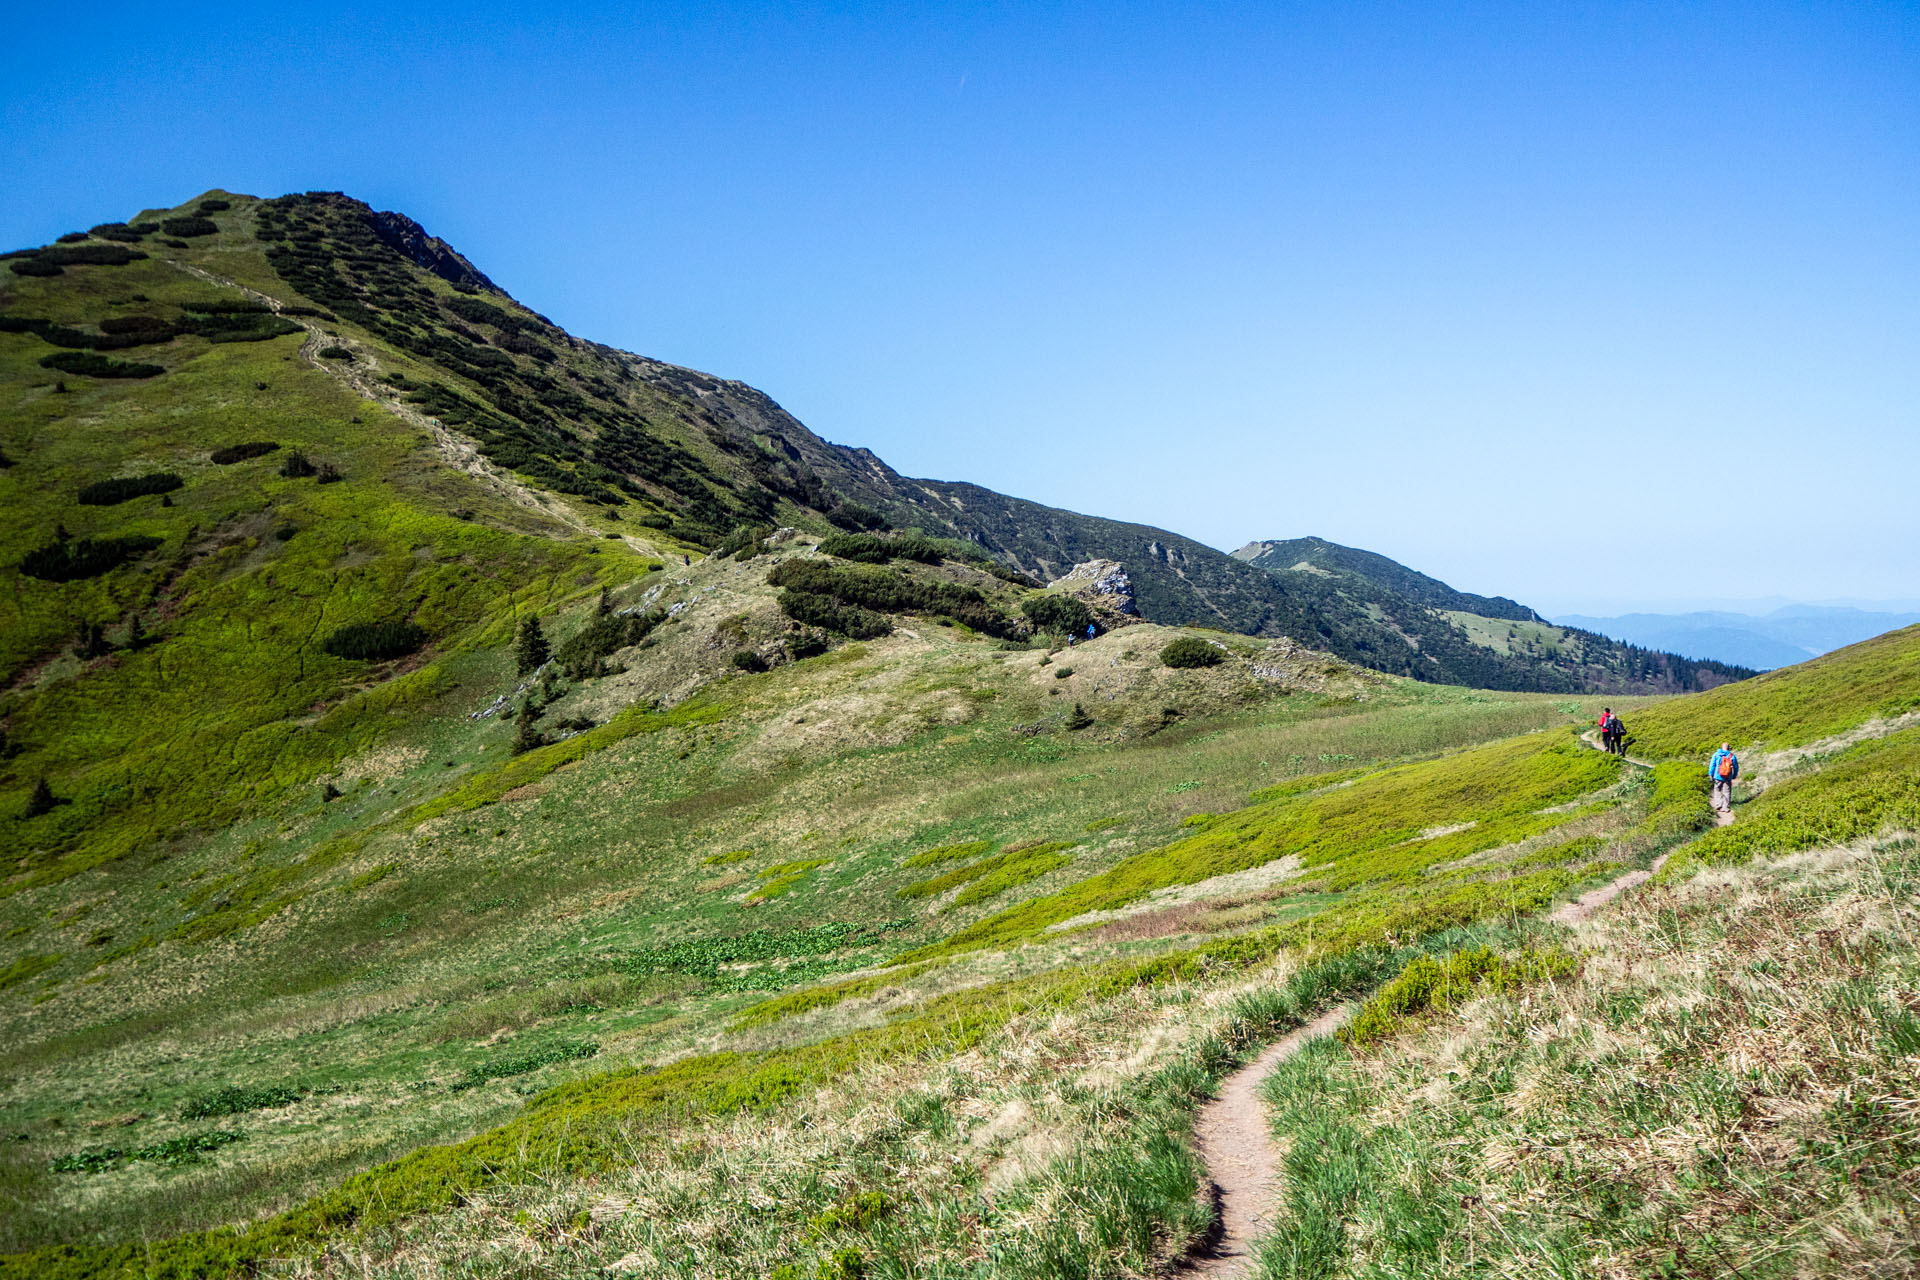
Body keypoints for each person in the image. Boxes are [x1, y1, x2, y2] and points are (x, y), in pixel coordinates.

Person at [1707, 741, 1739, 816]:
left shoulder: (1716, 754)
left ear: (1722, 747)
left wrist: (1710, 774)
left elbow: (1712, 765)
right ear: (1729, 748)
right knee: (1727, 791)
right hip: (1728, 777)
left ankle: (1718, 805)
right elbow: (1736, 767)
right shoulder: (1732, 756)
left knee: (1717, 790)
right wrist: (1734, 774)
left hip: (1717, 776)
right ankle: (1726, 807)